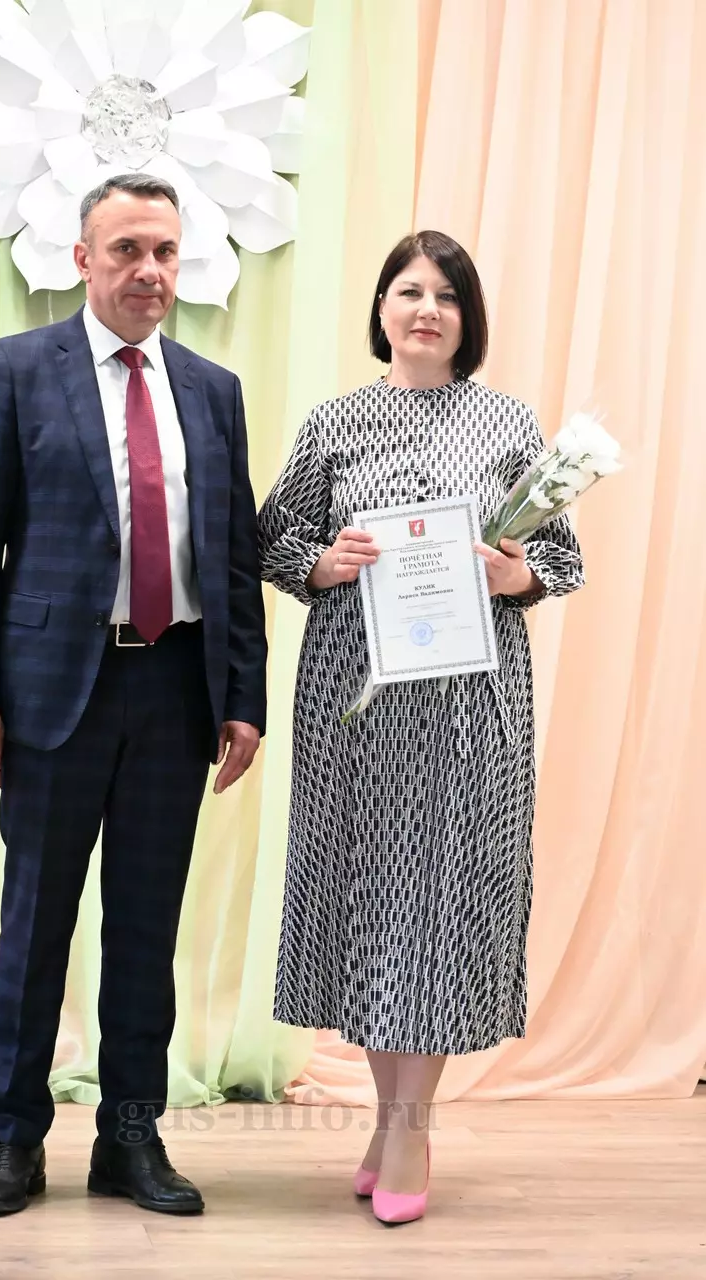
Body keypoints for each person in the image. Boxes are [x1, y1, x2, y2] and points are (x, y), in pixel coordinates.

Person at [0, 173, 267, 1218]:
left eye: (164, 251)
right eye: (127, 249)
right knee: (35, 924)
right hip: (50, 696)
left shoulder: (212, 389)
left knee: (145, 928)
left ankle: (130, 1141)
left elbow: (232, 554)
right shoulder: (15, 370)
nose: (149, 271)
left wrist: (244, 696)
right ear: (82, 258)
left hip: (175, 690)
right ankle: (13, 1140)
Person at [258, 230, 584, 1225]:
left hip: (468, 705)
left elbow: (562, 558)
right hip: (353, 699)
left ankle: (410, 1126)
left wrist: (514, 574)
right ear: (382, 308)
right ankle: (388, 1117)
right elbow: (271, 539)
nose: (426, 308)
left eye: (445, 294)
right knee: (369, 899)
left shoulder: (507, 423)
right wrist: (324, 562)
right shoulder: (334, 422)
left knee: (440, 902)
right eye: (408, 290)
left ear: (465, 317)